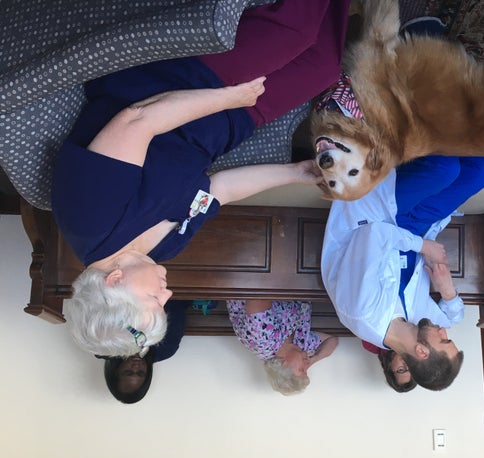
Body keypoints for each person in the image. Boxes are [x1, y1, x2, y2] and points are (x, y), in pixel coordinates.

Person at [51, 0, 351, 357]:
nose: (168, 294)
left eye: (153, 298)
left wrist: (226, 97)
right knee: (322, 66)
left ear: (115, 281)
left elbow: (138, 120)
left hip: (178, 84)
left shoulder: (90, 219)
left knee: (295, 32)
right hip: (227, 122)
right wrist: (295, 173)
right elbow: (219, 190)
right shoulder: (160, 251)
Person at [322, 155, 484, 390]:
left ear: (421, 351)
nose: (444, 330)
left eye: (444, 339)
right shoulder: (416, 323)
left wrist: (424, 247)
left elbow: (372, 235)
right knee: (481, 171)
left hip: (374, 218)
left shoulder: (362, 312)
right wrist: (447, 291)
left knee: (445, 168)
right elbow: (454, 317)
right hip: (416, 226)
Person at [226, 300, 339, 396]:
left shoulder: (262, 339)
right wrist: (314, 359)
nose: (307, 365)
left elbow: (257, 291)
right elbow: (332, 341)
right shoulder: (299, 346)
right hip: (297, 281)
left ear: (285, 365)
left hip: (253, 278)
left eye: (302, 369)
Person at [98, 300, 190, 404]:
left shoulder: (104, 347)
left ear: (115, 371)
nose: (136, 367)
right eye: (141, 373)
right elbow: (176, 304)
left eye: (128, 372)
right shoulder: (165, 348)